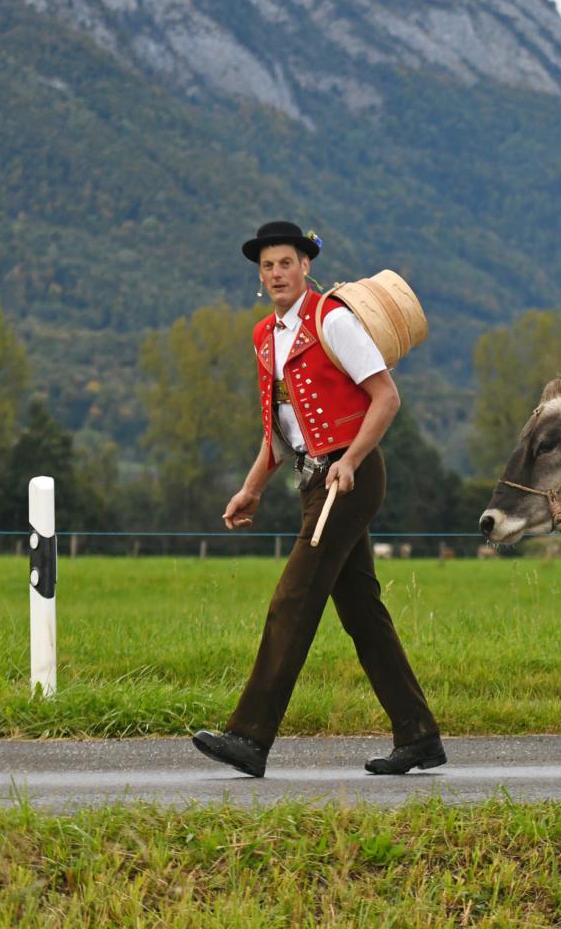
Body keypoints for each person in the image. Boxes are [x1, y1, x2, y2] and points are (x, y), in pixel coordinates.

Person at [191, 220, 444, 778]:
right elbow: (280, 433)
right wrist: (251, 488)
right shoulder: (265, 338)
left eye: (286, 262)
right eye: (267, 266)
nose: (276, 273)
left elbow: (386, 398)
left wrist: (351, 460)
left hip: (350, 479)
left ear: (306, 266)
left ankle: (249, 737)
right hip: (314, 481)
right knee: (363, 614)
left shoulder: (333, 320)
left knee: (293, 598)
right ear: (259, 276)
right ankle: (419, 735)